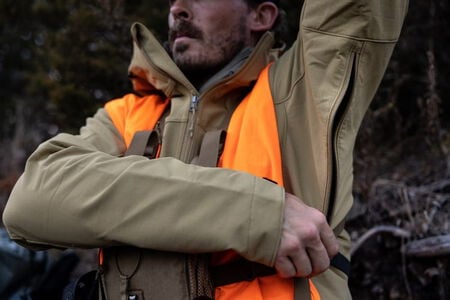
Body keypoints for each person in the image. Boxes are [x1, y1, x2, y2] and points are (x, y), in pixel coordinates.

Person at [3, 0, 408, 299]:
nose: (177, 9)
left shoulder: (300, 95)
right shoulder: (128, 113)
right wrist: (257, 213)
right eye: (174, 1)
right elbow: (32, 199)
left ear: (261, 16)